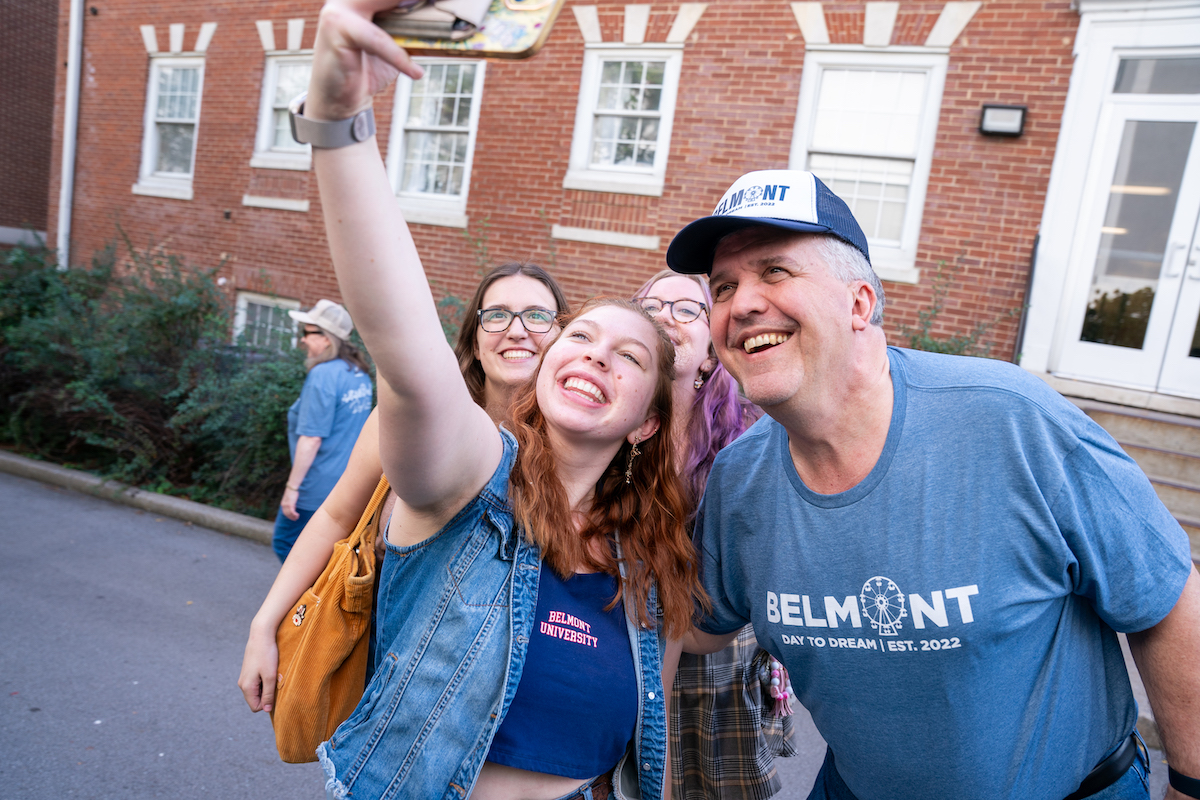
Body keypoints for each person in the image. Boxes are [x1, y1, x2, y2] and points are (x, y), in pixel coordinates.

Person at [266, 4, 706, 798]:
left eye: (629, 355)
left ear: (647, 418)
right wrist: (337, 117)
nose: (596, 354)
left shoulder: (649, 562)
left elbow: (651, 734)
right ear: (542, 371)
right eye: (579, 339)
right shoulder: (473, 478)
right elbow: (403, 344)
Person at [672, 169, 1200, 800]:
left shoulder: (1011, 421)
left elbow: (1165, 600)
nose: (743, 304)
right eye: (724, 287)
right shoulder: (741, 479)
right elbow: (702, 625)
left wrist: (1191, 785)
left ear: (860, 303)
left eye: (775, 272)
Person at [239, 260, 568, 714]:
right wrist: (263, 625)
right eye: (496, 315)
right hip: (386, 684)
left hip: (510, 704)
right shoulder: (410, 424)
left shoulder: (577, 448)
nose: (516, 330)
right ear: (475, 336)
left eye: (537, 315)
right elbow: (336, 517)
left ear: (561, 334)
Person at [633, 270, 795, 800]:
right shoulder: (608, 430)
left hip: (712, 660)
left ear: (709, 355)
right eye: (651, 305)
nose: (664, 315)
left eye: (685, 309)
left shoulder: (746, 446)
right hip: (623, 645)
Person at [274, 299, 373, 562]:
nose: (302, 340)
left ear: (327, 338)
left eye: (307, 333)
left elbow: (311, 438)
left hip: (315, 486)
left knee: (286, 544)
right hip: (347, 483)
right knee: (324, 557)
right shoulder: (358, 373)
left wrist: (292, 488)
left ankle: (305, 604)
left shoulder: (323, 375)